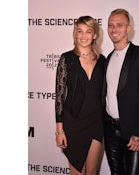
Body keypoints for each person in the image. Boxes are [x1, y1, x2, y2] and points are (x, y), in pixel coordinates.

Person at [103, 8, 139, 175]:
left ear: (128, 28)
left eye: (119, 25)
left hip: (133, 132)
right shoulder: (108, 58)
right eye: (110, 25)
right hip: (111, 132)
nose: (114, 29)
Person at [55, 16, 105, 175]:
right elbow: (59, 97)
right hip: (73, 124)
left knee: (91, 171)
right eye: (80, 31)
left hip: (96, 123)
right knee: (77, 172)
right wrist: (60, 130)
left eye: (88, 31)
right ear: (75, 34)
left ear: (95, 35)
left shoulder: (102, 61)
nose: (84, 36)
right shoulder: (67, 59)